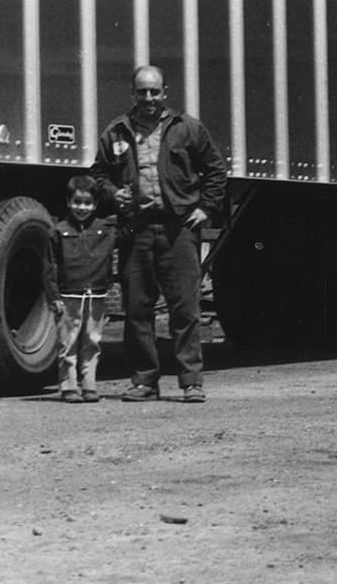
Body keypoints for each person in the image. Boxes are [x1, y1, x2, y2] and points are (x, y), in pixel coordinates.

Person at [90, 65, 227, 403]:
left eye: (154, 91)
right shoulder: (116, 132)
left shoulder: (186, 128)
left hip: (177, 227)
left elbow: (215, 169)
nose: (148, 98)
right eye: (142, 92)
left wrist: (205, 208)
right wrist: (111, 193)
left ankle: (191, 381)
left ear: (165, 93)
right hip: (135, 228)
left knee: (185, 308)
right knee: (137, 309)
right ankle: (144, 381)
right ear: (133, 94)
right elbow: (97, 174)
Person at [45, 175, 114, 403]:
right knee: (68, 341)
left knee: (92, 340)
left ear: (95, 204)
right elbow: (50, 267)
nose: (81, 208)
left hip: (95, 294)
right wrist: (53, 296)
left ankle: (90, 385)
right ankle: (68, 386)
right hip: (68, 295)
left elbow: (127, 228)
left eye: (87, 203)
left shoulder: (105, 229)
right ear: (68, 202)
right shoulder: (58, 231)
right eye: (77, 202)